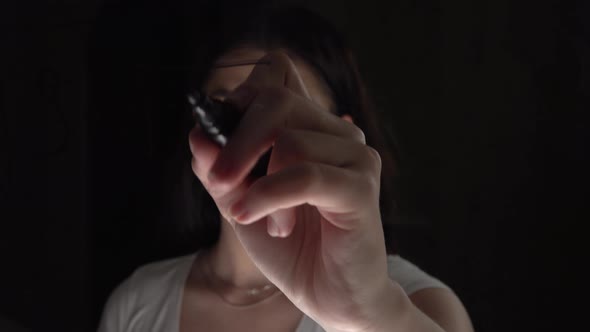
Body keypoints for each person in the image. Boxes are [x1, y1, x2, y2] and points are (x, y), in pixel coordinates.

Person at [98, 3, 473, 332]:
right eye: (228, 115)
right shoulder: (137, 303)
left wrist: (369, 316)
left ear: (341, 135)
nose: (250, 138)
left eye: (284, 113)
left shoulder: (418, 306)